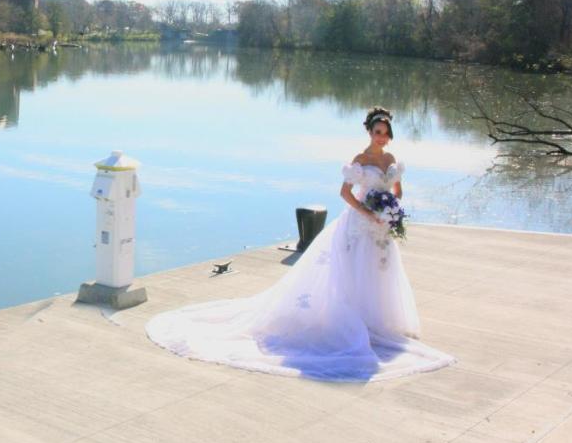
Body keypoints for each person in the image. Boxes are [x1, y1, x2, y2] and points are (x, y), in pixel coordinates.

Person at [145, 107, 453, 382]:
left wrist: (390, 208)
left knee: (379, 273)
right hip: (358, 226)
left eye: (386, 134)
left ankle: (375, 323)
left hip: (382, 230)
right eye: (377, 133)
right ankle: (350, 324)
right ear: (369, 132)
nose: (382, 138)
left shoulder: (391, 160)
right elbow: (345, 194)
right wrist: (367, 211)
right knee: (352, 273)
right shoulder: (359, 161)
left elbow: (397, 190)